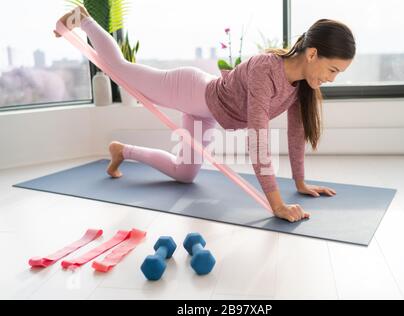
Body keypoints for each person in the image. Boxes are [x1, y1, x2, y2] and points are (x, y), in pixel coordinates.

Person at [55, 6, 355, 223]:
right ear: (313, 53)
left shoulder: (299, 86)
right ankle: (85, 19)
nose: (332, 78)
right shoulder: (267, 70)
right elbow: (258, 139)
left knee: (184, 174)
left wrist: (300, 183)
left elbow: (295, 133)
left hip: (207, 113)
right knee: (120, 69)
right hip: (190, 90)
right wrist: (275, 203)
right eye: (333, 70)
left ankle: (122, 150)